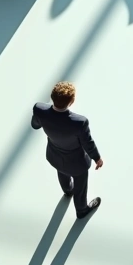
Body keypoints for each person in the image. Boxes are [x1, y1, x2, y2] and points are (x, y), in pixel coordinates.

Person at [31, 82, 103, 218]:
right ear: (72, 101)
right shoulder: (79, 122)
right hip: (77, 162)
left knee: (62, 172)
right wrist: (97, 158)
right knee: (80, 186)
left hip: (55, 155)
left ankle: (68, 191)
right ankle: (81, 210)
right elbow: (88, 144)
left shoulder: (39, 109)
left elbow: (35, 125)